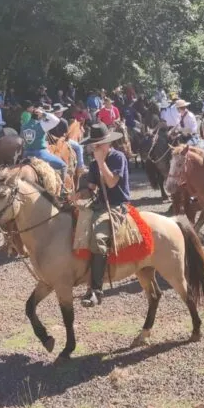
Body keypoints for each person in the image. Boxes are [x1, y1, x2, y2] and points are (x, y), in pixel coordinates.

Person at [75, 123, 130, 307]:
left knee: (98, 238)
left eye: (99, 144)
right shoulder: (92, 163)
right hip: (99, 204)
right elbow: (91, 188)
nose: (96, 148)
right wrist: (77, 194)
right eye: (94, 145)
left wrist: (101, 162)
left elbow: (112, 183)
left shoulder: (117, 157)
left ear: (108, 143)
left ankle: (96, 290)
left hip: (116, 205)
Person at [21, 106, 68, 174]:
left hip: (26, 154)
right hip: (40, 153)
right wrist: (43, 113)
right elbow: (56, 120)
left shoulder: (24, 126)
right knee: (64, 166)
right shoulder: (41, 125)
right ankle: (62, 184)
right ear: (39, 116)